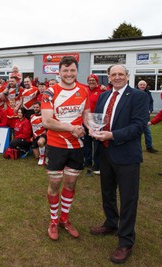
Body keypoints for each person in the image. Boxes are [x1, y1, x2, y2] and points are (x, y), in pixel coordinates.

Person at [89, 64, 149, 264]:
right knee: (107, 193)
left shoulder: (138, 97)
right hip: (105, 153)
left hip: (127, 156)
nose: (117, 77)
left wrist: (112, 135)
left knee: (128, 199)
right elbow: (97, 119)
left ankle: (125, 241)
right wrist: (92, 129)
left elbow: (139, 126)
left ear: (127, 76)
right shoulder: (104, 96)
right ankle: (111, 223)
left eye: (120, 74)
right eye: (113, 74)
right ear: (108, 77)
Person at [41, 56, 90, 241]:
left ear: (77, 71)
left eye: (72, 71)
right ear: (59, 72)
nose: (69, 74)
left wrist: (92, 127)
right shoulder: (49, 92)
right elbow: (47, 121)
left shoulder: (84, 91)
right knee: (55, 184)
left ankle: (64, 219)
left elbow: (86, 117)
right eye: (65, 71)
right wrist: (72, 128)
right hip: (56, 145)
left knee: (70, 184)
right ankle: (53, 220)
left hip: (77, 146)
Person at [83, 74, 105, 176]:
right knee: (86, 142)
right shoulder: (85, 89)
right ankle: (87, 161)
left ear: (97, 81)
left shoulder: (102, 90)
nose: (91, 82)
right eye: (89, 80)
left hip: (97, 120)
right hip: (86, 119)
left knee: (96, 143)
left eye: (93, 80)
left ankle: (97, 164)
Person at [137, 80, 158, 153]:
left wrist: (150, 109)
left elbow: (151, 102)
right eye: (141, 85)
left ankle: (149, 147)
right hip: (137, 116)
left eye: (144, 85)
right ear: (138, 85)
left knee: (147, 132)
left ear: (146, 86)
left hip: (146, 117)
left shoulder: (148, 93)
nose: (142, 86)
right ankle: (136, 147)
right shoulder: (134, 93)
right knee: (137, 133)